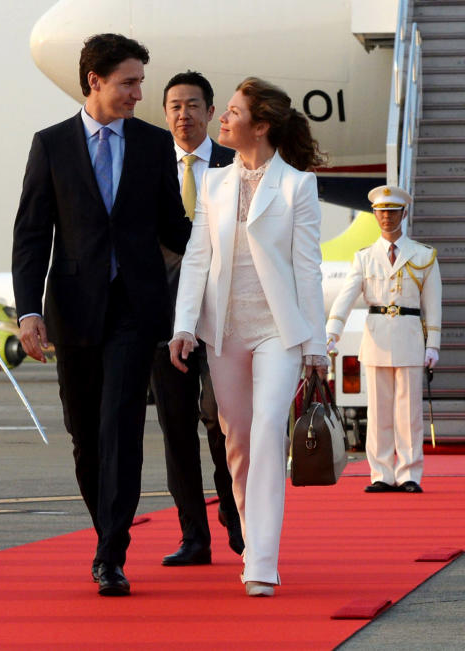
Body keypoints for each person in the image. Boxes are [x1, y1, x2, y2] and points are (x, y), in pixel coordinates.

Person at [12, 33, 191, 597]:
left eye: (141, 81)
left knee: (121, 428)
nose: (140, 93)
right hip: (75, 309)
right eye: (129, 82)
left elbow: (175, 230)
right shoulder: (51, 145)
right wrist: (27, 312)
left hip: (137, 310)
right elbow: (32, 234)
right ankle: (104, 531)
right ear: (95, 81)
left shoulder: (153, 145)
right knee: (85, 435)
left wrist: (233, 231)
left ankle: (111, 552)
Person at [170, 77, 327, 597]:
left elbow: (308, 268)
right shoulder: (214, 183)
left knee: (265, 436)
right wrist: (185, 325)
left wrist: (316, 347)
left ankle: (261, 560)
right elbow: (197, 257)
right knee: (236, 443)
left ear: (259, 126)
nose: (223, 120)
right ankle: (254, 542)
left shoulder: (297, 185)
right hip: (224, 331)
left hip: (277, 333)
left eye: (232, 113)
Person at [152, 71, 242, 566]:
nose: (183, 115)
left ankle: (233, 509)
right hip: (165, 321)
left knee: (222, 421)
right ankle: (194, 535)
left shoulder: (235, 165)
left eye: (193, 105)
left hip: (225, 318)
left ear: (211, 112)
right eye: (174, 107)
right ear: (165, 115)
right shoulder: (147, 168)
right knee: (176, 427)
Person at [326, 185, 441, 494]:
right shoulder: (364, 258)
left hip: (409, 337)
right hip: (376, 339)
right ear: (374, 215)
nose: (386, 217)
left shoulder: (423, 256)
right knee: (378, 413)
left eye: (392, 212)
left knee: (409, 413)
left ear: (404, 214)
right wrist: (332, 333)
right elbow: (346, 298)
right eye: (381, 212)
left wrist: (433, 346)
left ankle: (408, 473)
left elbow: (433, 305)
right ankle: (381, 473)